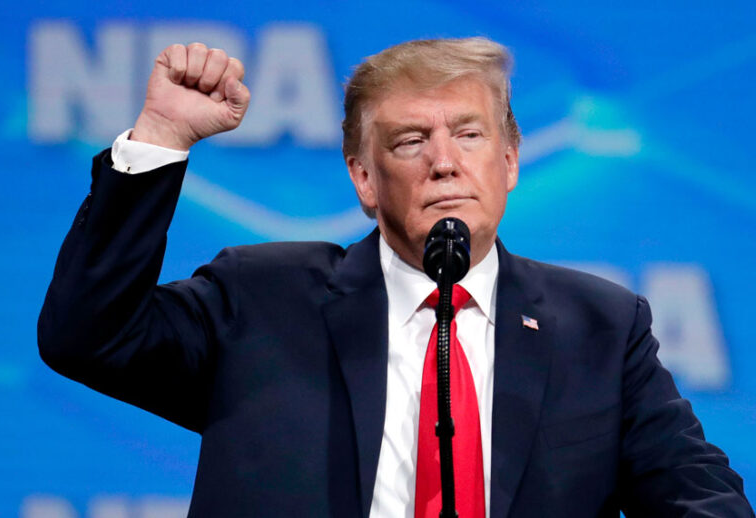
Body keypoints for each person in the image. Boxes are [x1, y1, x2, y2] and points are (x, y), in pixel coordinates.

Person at [38, 37, 753, 517]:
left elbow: (699, 497)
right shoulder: (261, 297)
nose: (444, 162)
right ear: (364, 179)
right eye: (411, 141)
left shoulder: (600, 327)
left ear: (509, 161)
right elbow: (87, 336)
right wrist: (162, 137)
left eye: (469, 134)